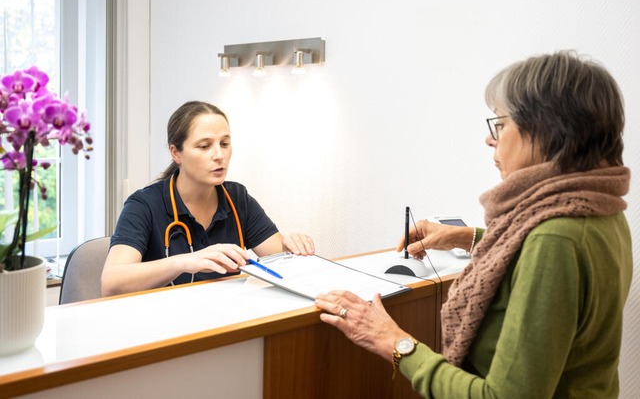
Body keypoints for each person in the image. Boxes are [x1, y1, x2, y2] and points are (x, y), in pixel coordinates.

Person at [314, 51, 632, 398]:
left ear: (545, 130)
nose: (490, 139)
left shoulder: (555, 238)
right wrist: (465, 237)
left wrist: (393, 341)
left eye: (501, 123)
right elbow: (531, 262)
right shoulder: (599, 209)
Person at [102, 101, 315, 296]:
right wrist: (184, 262)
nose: (219, 155)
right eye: (204, 146)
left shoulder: (237, 198)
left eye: (224, 144)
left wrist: (292, 248)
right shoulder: (144, 205)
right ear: (176, 153)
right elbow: (111, 283)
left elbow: (281, 260)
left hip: (222, 321)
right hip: (163, 326)